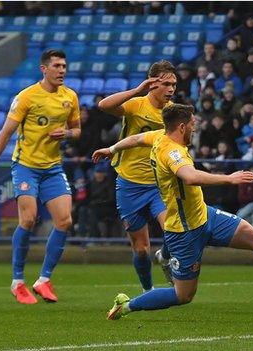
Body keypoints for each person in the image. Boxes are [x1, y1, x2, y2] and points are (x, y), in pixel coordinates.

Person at [91, 104, 253, 319]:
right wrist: (229, 178)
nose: (195, 129)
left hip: (205, 215)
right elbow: (190, 176)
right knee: (183, 295)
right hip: (185, 231)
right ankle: (127, 305)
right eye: (193, 125)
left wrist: (112, 149)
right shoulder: (171, 152)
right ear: (182, 126)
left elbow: (136, 139)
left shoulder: (159, 137)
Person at [0, 49, 81, 304]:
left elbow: (77, 129)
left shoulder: (70, 97)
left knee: (65, 221)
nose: (62, 70)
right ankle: (17, 281)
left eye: (64, 66)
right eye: (57, 66)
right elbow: (4, 134)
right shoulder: (26, 97)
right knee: (29, 219)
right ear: (43, 69)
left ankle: (43, 280)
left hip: (53, 168)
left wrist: (67, 134)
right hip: (25, 166)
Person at [97, 60, 177, 291]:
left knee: (173, 228)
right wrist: (136, 90)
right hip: (130, 185)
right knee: (141, 248)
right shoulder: (136, 105)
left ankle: (165, 257)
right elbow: (103, 105)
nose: (171, 89)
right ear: (152, 84)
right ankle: (147, 290)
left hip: (159, 184)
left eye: (174, 84)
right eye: (166, 84)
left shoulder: (173, 112)